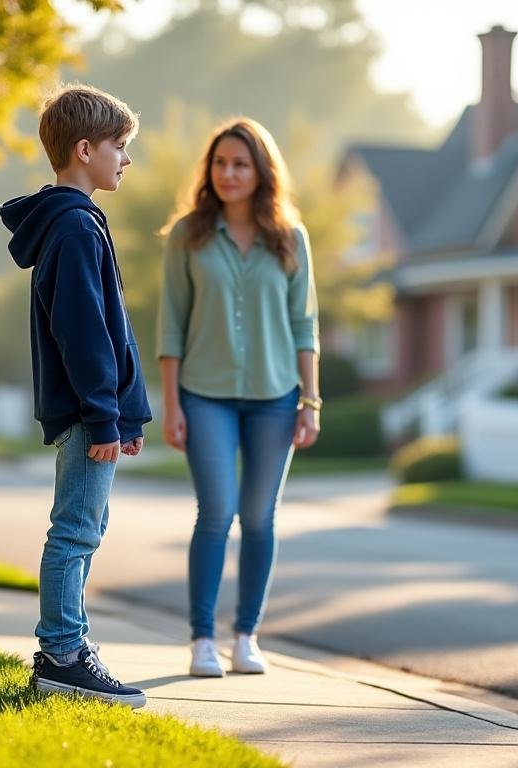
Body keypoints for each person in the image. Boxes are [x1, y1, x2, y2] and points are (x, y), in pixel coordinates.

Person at [0, 84, 152, 708]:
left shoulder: (74, 224)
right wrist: (103, 414)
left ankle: (66, 650)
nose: (125, 158)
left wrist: (126, 410)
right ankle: (63, 655)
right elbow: (84, 331)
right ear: (83, 150)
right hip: (89, 414)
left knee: (85, 526)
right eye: (119, 146)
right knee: (75, 531)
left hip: (97, 412)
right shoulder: (74, 228)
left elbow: (104, 329)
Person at [157, 117, 321, 678]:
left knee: (258, 517)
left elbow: (306, 326)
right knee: (217, 511)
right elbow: (171, 326)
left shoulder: (290, 238)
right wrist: (172, 406)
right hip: (205, 395)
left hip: (277, 397)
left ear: (260, 171)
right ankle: (202, 639)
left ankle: (246, 636)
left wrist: (312, 402)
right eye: (220, 163)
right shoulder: (187, 235)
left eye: (240, 164)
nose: (228, 173)